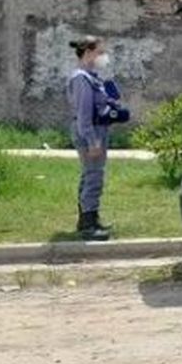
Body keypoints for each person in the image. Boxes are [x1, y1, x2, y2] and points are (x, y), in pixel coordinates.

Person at [66, 36, 120, 241]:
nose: (102, 56)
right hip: (91, 133)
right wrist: (92, 141)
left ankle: (89, 217)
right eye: (99, 52)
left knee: (90, 174)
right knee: (94, 177)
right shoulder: (81, 79)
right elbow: (84, 113)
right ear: (88, 53)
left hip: (97, 131)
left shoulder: (91, 77)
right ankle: (88, 224)